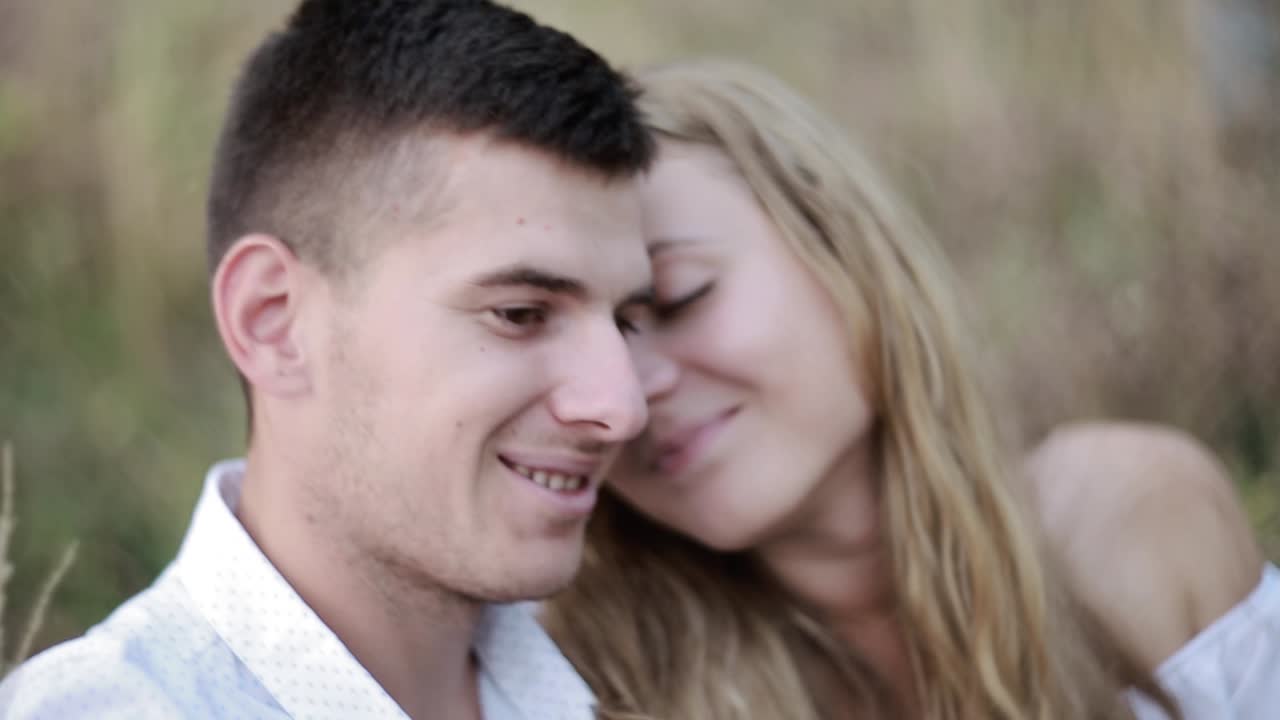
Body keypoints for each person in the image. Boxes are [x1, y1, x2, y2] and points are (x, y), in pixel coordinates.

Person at [543, 60, 1278, 720]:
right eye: (580, 350)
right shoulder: (597, 685)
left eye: (679, 297)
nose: (629, 394)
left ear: (840, 243)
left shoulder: (1130, 520)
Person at [0, 1, 657, 718]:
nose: (622, 407)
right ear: (273, 322)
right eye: (520, 314)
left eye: (625, 321)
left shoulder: (635, 670)